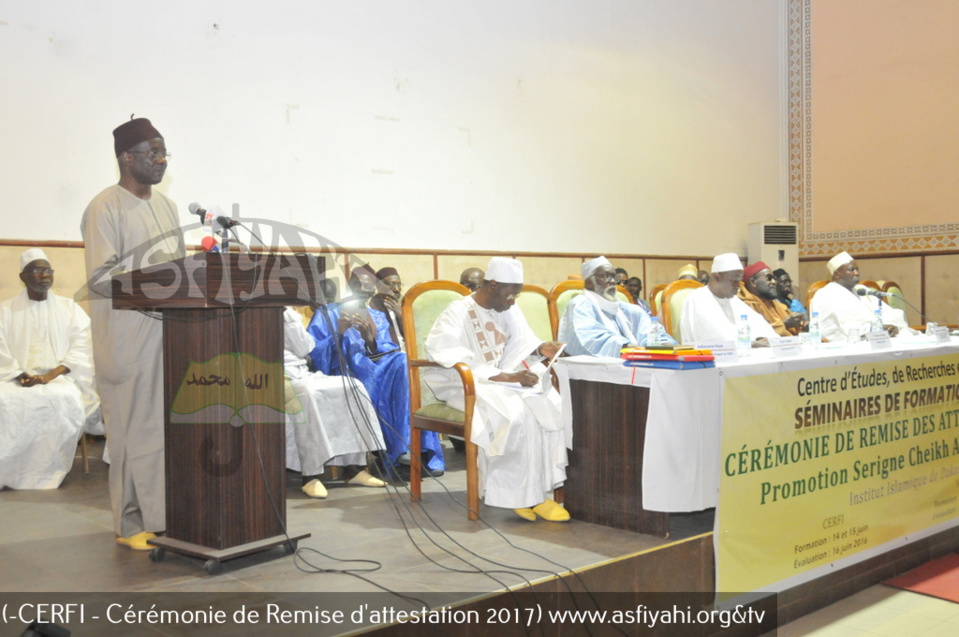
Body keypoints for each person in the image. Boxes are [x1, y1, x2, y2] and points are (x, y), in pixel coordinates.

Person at [80, 117, 185, 550]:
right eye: (152, 152)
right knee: (129, 432)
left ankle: (163, 518)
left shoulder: (168, 206)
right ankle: (129, 526)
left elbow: (182, 269)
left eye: (164, 153)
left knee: (162, 432)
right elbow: (102, 277)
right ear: (127, 158)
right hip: (125, 338)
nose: (160, 160)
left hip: (167, 335)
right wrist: (159, 278)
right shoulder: (104, 206)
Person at [423, 257, 570, 522]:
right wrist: (504, 376)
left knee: (547, 405)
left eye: (518, 292)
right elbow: (442, 349)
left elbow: (523, 342)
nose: (515, 299)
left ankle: (537, 492)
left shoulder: (508, 307)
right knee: (514, 416)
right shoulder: (457, 311)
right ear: (492, 285)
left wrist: (541, 348)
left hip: (503, 382)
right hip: (464, 382)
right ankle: (517, 495)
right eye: (511, 292)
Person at [307, 265, 444, 480]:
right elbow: (314, 353)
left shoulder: (375, 315)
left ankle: (415, 449)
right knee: (395, 375)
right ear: (352, 286)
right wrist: (340, 333)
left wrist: (368, 338)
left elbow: (383, 347)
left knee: (403, 362)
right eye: (363, 290)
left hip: (377, 366)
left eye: (370, 292)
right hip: (347, 370)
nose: (367, 296)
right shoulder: (328, 312)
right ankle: (405, 449)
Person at [0, 249, 100, 490]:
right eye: (36, 270)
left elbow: (83, 345)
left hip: (60, 377)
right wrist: (19, 374)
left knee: (62, 398)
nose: (44, 275)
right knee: (5, 400)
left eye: (47, 270)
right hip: (15, 377)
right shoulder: (5, 310)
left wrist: (51, 375)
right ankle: (9, 471)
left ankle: (48, 473)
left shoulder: (70, 309)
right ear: (22, 277)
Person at [282, 307, 385, 498]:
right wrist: (287, 316)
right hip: (273, 375)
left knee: (353, 386)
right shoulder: (281, 313)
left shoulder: (288, 312)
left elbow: (307, 348)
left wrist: (288, 314)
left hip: (300, 373)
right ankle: (310, 476)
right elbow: (304, 348)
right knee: (308, 394)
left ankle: (353, 468)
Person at [559, 257, 675, 357]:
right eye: (605, 276)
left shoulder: (628, 309)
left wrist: (663, 344)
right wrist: (628, 347)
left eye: (614, 277)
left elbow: (652, 333)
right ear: (589, 282)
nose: (613, 281)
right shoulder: (580, 305)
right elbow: (589, 339)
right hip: (594, 376)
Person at [810, 252, 914, 342]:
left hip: (878, 338)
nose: (857, 273)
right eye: (851, 270)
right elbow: (829, 329)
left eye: (857, 269)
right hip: (849, 344)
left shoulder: (862, 290)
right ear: (837, 274)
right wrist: (870, 331)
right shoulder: (825, 294)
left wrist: (893, 327)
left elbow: (888, 313)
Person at [679, 253, 777, 345]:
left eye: (739, 282)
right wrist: (751, 343)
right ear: (718, 277)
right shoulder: (698, 299)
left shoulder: (733, 300)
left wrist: (769, 340)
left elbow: (760, 324)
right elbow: (718, 339)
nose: (737, 286)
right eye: (734, 281)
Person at [737, 261, 805, 337]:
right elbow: (757, 334)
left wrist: (802, 326)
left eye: (774, 279)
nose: (774, 282)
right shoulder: (747, 305)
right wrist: (785, 324)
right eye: (769, 278)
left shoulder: (775, 303)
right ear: (753, 282)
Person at [368, 266, 405, 347]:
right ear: (378, 286)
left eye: (399, 284)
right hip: (387, 353)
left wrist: (402, 317)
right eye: (391, 284)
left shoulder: (404, 306)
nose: (396, 289)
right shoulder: (372, 308)